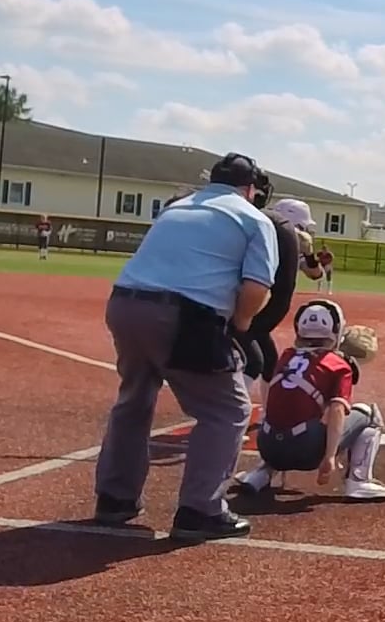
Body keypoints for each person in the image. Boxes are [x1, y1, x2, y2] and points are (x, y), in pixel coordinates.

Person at [89, 152, 278, 543]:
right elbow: (257, 287)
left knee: (134, 398)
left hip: (124, 303)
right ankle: (200, 510)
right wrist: (240, 325)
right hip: (184, 314)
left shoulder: (176, 208)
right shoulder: (254, 219)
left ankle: (115, 498)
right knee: (228, 409)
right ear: (250, 189)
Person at [229, 300, 385, 502]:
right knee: (370, 415)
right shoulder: (338, 365)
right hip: (305, 452)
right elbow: (337, 411)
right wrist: (329, 457)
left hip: (268, 447)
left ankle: (260, 474)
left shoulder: (286, 356)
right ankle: (358, 481)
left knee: (288, 412)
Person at [239, 194, 323, 424]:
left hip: (264, 312)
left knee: (269, 362)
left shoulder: (291, 245)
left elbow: (315, 274)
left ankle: (269, 413)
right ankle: (230, 412)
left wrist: (309, 254)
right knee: (253, 361)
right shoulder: (263, 240)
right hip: (251, 309)